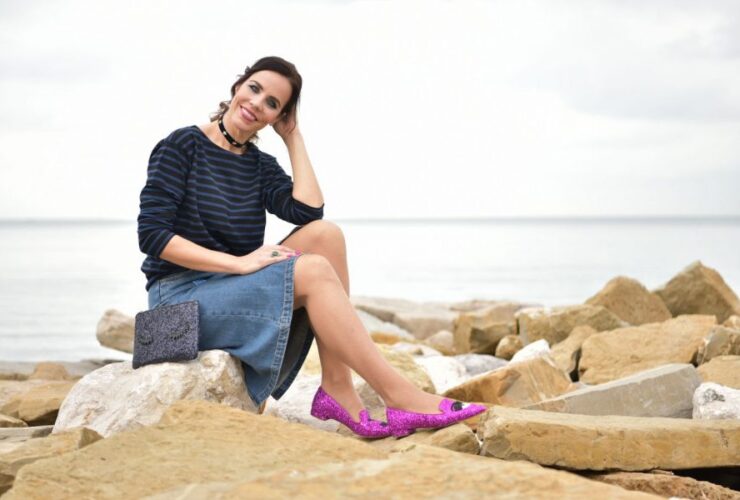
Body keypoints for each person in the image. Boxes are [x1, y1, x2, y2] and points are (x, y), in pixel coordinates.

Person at [137, 55, 485, 438]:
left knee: (325, 236)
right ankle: (400, 396)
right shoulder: (182, 145)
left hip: (228, 289)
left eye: (272, 103)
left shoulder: (257, 165)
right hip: (177, 303)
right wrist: (237, 264)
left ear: (278, 116)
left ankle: (337, 385)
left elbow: (307, 210)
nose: (257, 103)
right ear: (237, 87)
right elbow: (152, 235)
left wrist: (293, 138)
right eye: (254, 89)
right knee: (314, 269)